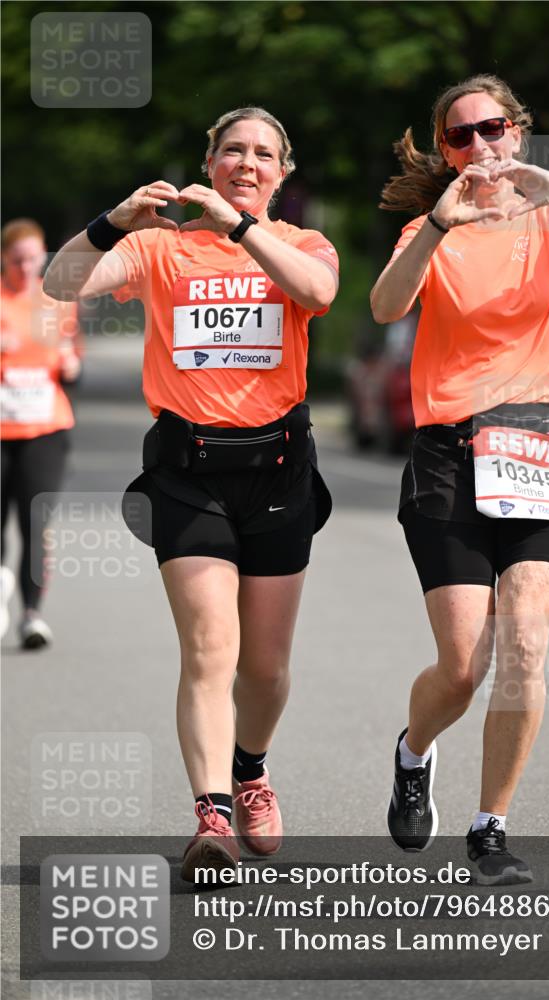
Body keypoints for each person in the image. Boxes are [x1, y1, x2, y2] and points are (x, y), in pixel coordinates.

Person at [370, 74, 549, 884]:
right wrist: (434, 223)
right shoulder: (436, 229)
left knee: (525, 641)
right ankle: (413, 749)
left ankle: (489, 827)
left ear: (517, 133)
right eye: (460, 137)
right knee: (462, 666)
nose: (479, 148)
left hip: (536, 446)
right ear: (445, 151)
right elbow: (388, 307)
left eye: (491, 130)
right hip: (448, 454)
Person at [44, 107, 339, 879]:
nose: (247, 164)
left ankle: (249, 770)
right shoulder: (158, 249)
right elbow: (58, 281)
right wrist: (114, 220)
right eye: (232, 151)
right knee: (211, 647)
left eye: (263, 154)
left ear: (283, 172)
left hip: (278, 473)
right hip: (186, 474)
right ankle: (211, 817)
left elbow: (318, 292)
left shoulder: (299, 244)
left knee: (266, 667)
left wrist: (242, 231)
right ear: (208, 161)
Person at [1, 218, 82, 648]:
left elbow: (72, 361)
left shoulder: (57, 303)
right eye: (18, 260)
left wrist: (73, 368)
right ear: (3, 259)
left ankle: (32, 615)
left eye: (34, 258)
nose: (27, 267)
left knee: (36, 520)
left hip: (45, 427)